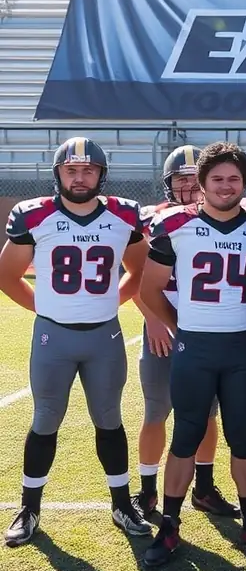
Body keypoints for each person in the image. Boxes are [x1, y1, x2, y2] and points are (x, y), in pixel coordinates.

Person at [1, 138, 150, 547]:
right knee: (45, 418)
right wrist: (46, 310)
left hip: (105, 335)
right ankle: (30, 508)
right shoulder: (34, 215)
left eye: (88, 170)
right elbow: (6, 275)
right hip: (54, 337)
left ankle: (122, 504)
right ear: (59, 174)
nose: (80, 177)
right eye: (72, 170)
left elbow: (138, 270)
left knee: (109, 417)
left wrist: (109, 302)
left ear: (101, 174)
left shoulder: (125, 215)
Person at [139, 142, 246, 567]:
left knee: (241, 435)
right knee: (185, 434)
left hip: (243, 346)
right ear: (200, 184)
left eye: (234, 178)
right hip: (194, 347)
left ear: (245, 184)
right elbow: (148, 290)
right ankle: (170, 526)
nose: (225, 186)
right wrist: (183, 329)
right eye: (216, 178)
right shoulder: (175, 226)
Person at [133, 145, 238, 519]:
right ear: (168, 184)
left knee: (207, 416)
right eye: (182, 181)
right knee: (157, 411)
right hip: (163, 327)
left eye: (196, 181)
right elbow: (136, 279)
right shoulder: (151, 220)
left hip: (205, 330)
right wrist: (152, 319)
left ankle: (204, 487)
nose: (191, 188)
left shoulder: (228, 219)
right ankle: (146, 491)